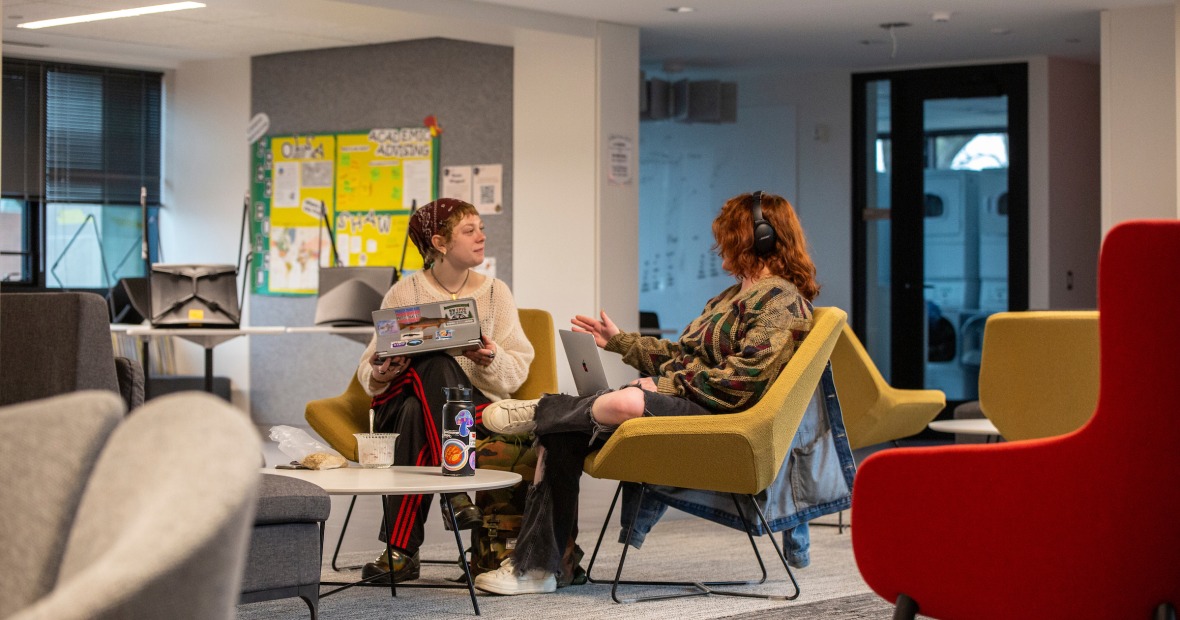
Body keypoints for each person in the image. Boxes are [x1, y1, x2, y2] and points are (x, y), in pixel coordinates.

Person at [471, 191, 856, 595]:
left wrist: (666, 384)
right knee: (560, 434)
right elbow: (681, 354)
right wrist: (620, 341)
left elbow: (744, 380)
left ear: (755, 237)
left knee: (626, 400)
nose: (717, 245)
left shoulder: (783, 302)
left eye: (725, 235)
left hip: (726, 418)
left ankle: (540, 410)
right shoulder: (728, 299)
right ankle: (538, 569)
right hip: (693, 401)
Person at [357, 198, 535, 583]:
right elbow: (370, 365)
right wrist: (383, 369)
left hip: (470, 410)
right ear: (439, 243)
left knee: (417, 413)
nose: (481, 237)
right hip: (408, 398)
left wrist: (490, 358)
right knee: (432, 366)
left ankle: (401, 551)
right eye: (469, 231)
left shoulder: (495, 293)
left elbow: (517, 371)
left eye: (482, 228)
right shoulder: (405, 293)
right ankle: (455, 489)